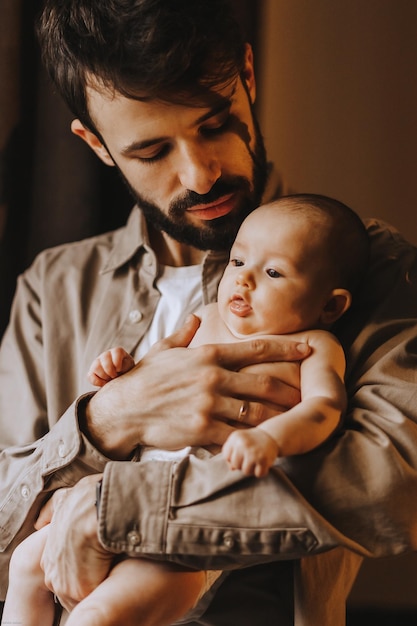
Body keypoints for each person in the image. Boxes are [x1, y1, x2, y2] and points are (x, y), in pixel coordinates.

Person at [1, 1, 417, 625]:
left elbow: (392, 485)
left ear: (248, 77)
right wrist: (112, 416)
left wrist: (115, 508)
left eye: (216, 124)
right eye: (151, 151)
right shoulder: (53, 288)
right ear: (96, 144)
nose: (201, 174)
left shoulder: (373, 271)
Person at [1, 196, 369, 626]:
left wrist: (271, 437)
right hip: (122, 488)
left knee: (100, 615)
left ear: (330, 306)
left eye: (272, 273)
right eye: (237, 262)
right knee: (28, 563)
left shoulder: (315, 346)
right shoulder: (205, 316)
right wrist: (121, 375)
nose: (244, 280)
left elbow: (325, 409)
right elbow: (156, 375)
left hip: (186, 533)